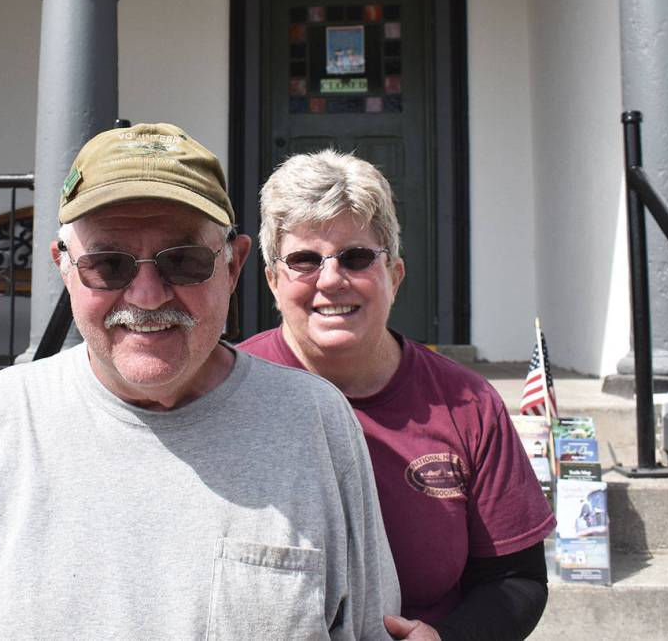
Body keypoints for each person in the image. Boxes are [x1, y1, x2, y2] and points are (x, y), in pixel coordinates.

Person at [0, 124, 400, 639]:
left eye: (185, 261)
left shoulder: (314, 422)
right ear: (64, 268)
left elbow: (370, 628)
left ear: (234, 266)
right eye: (108, 264)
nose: (148, 296)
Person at [237, 150, 555, 641]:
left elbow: (516, 579)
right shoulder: (225, 392)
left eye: (357, 257)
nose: (331, 279)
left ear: (396, 277)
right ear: (273, 282)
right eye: (303, 260)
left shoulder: (466, 404)